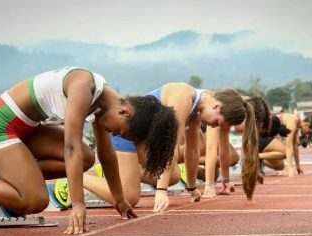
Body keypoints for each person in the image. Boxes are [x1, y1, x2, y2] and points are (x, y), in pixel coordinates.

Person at [0, 66, 178, 234]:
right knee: (35, 200)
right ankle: (16, 182)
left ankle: (13, 178)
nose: (116, 135)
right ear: (125, 112)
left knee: (87, 159)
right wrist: (78, 204)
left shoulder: (101, 100)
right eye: (121, 131)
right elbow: (71, 147)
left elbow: (106, 154)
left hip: (25, 128)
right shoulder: (83, 86)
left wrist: (119, 199)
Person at [83, 83, 258, 211]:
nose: (213, 127)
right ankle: (76, 177)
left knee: (173, 175)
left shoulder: (197, 109)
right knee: (130, 197)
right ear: (217, 106)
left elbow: (192, 150)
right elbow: (172, 146)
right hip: (127, 132)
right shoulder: (184, 97)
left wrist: (191, 187)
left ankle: (115, 172)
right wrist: (161, 191)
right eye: (217, 122)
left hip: (142, 140)